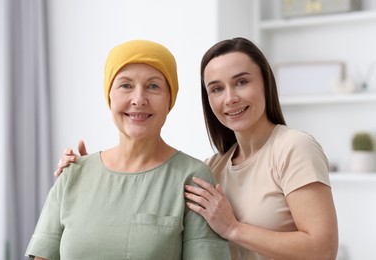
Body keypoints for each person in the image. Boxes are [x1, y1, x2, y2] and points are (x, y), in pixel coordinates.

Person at [55, 37, 339, 260]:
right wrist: (92, 177)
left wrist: (234, 229)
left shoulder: (294, 148)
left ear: (265, 83)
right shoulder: (213, 167)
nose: (230, 98)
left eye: (241, 81)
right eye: (216, 88)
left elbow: (322, 249)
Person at [26, 39, 231, 260]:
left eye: (153, 86)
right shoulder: (73, 174)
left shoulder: (193, 179)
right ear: (109, 95)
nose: (139, 99)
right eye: (126, 85)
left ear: (170, 98)